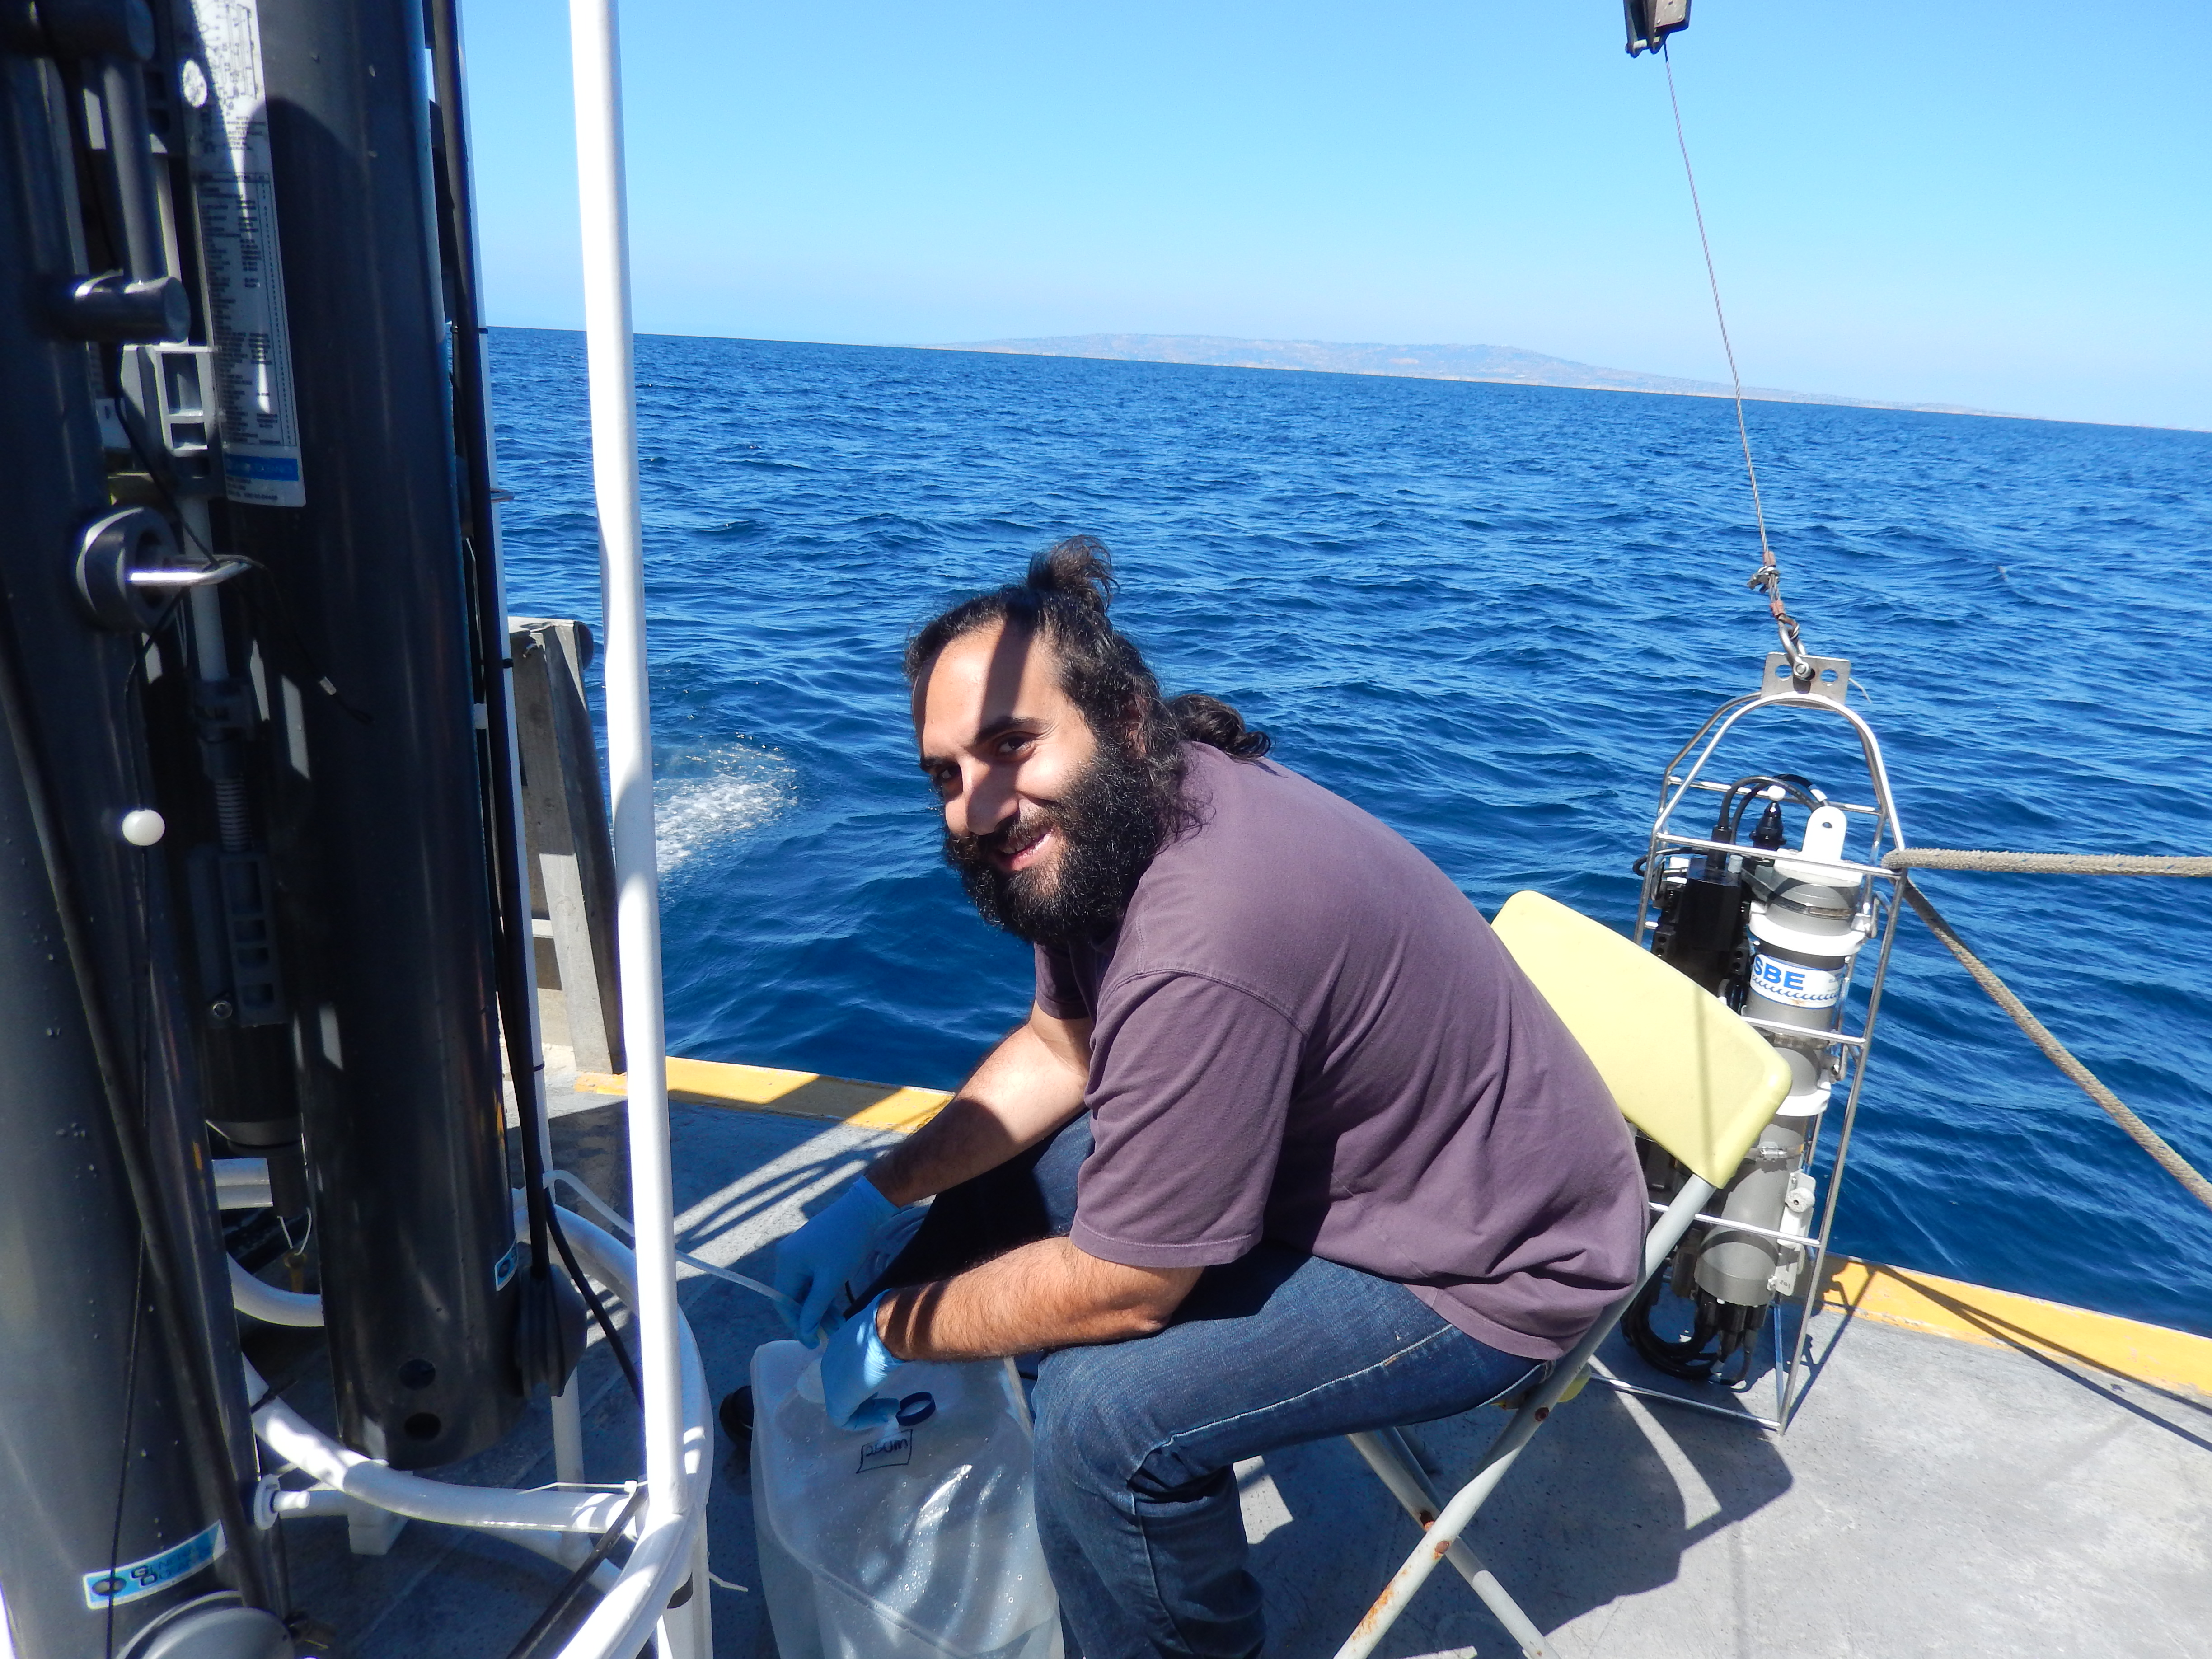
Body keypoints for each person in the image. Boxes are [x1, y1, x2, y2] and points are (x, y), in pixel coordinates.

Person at [759, 537, 1645, 1659]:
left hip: (1497, 1261)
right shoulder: (1121, 825)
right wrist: (874, 1197)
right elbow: (1058, 1048)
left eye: (1010, 745)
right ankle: (891, 1389)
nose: (977, 807)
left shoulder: (1207, 930)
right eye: (945, 773)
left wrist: (901, 1328)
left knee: (1105, 1420)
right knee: (1028, 1179)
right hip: (1366, 1167)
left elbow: (1130, 1291)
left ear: (1124, 719)